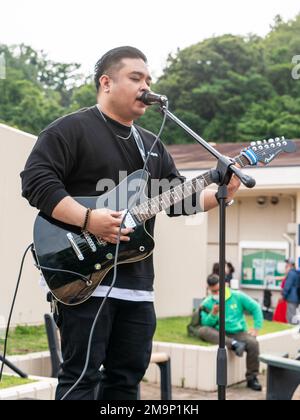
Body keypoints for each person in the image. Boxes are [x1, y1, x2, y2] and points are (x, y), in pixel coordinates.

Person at [20, 46, 241, 400]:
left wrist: (223, 193)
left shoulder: (151, 145)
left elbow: (179, 200)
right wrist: (89, 219)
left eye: (149, 80)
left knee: (126, 382)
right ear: (106, 82)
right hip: (84, 280)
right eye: (136, 78)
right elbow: (36, 182)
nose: (146, 87)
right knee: (81, 379)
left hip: (138, 286)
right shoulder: (72, 129)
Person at [188, 274, 263, 391]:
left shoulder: (237, 296)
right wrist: (213, 313)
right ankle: (234, 344)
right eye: (214, 291)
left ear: (224, 285)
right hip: (220, 332)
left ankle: (252, 378)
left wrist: (256, 328)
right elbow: (205, 324)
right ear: (209, 289)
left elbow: (255, 307)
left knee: (253, 343)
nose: (217, 293)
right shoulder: (207, 302)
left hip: (238, 332)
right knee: (203, 331)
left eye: (219, 290)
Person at [283, 258, 300, 324]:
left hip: (292, 298)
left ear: (290, 265)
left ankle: (293, 331)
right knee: (294, 315)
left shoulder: (291, 273)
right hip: (296, 297)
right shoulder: (296, 272)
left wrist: (283, 295)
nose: (286, 265)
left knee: (291, 317)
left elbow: (287, 286)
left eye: (287, 264)